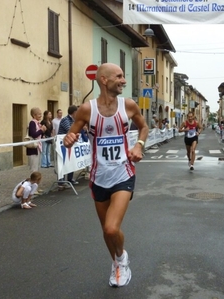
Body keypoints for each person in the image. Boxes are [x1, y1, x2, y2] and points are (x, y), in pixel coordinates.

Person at [63, 63, 148, 287]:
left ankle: (121, 260)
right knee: (106, 231)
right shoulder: (86, 110)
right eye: (119, 76)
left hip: (123, 173)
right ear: (104, 80)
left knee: (112, 227)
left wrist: (138, 145)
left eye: (123, 76)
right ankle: (117, 263)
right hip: (98, 177)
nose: (124, 81)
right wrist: (68, 140)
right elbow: (69, 136)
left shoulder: (128, 105)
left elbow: (144, 127)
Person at [26, 107, 46, 193]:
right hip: (33, 148)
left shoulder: (38, 123)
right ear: (34, 115)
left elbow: (39, 134)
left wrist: (43, 131)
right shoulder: (32, 123)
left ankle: (35, 187)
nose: (40, 115)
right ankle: (32, 189)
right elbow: (33, 134)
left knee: (37, 169)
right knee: (34, 169)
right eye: (39, 114)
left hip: (38, 147)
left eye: (41, 114)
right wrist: (41, 130)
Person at [58, 105, 79, 185]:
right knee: (62, 162)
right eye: (77, 112)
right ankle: (61, 181)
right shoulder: (65, 120)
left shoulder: (74, 120)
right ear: (74, 112)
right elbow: (70, 130)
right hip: (62, 145)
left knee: (71, 161)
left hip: (70, 144)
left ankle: (70, 179)